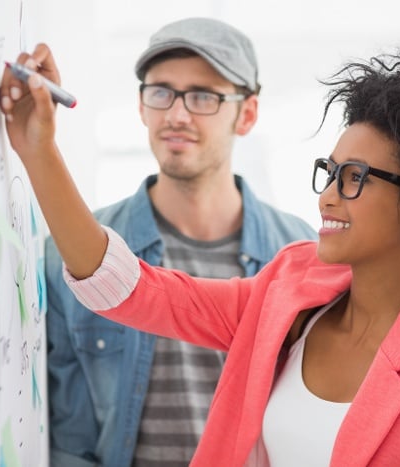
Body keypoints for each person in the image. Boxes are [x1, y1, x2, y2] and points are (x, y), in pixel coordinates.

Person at [0, 44, 400, 465]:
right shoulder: (286, 290)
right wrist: (39, 150)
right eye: (330, 171)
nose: (327, 196)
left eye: (355, 179)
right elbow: (131, 289)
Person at [41, 18, 317, 467]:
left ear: (246, 114)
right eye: (161, 91)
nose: (176, 114)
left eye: (204, 96)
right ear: (141, 106)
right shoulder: (71, 257)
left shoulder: (302, 258)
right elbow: (70, 443)